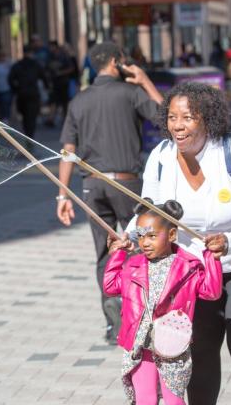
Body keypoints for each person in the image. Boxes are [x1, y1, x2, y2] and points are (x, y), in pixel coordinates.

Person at [126, 82, 231, 405]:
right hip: (196, 264)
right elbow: (150, 214)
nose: (178, 125)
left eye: (187, 117)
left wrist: (230, 241)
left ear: (206, 119)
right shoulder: (160, 157)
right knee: (199, 343)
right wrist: (128, 236)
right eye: (172, 117)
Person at [57, 41, 163, 345]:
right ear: (116, 61)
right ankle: (142, 317)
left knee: (105, 254)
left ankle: (113, 324)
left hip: (91, 186)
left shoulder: (79, 100)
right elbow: (165, 118)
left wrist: (63, 195)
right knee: (143, 248)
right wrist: (144, 80)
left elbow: (67, 151)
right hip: (126, 183)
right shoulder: (130, 93)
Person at [104, 199, 222, 405]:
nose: (145, 243)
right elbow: (110, 286)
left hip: (172, 344)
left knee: (174, 399)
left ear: (172, 234)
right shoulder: (133, 265)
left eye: (152, 236)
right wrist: (118, 254)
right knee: (145, 399)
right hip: (140, 345)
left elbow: (211, 292)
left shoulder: (188, 266)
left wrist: (212, 258)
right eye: (140, 236)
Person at [8, 44, 46, 139]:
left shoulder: (17, 65)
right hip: (33, 93)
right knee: (32, 115)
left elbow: (10, 79)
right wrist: (47, 87)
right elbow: (44, 77)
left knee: (25, 115)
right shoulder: (36, 64)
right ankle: (30, 134)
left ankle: (28, 133)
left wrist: (15, 89)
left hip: (22, 93)